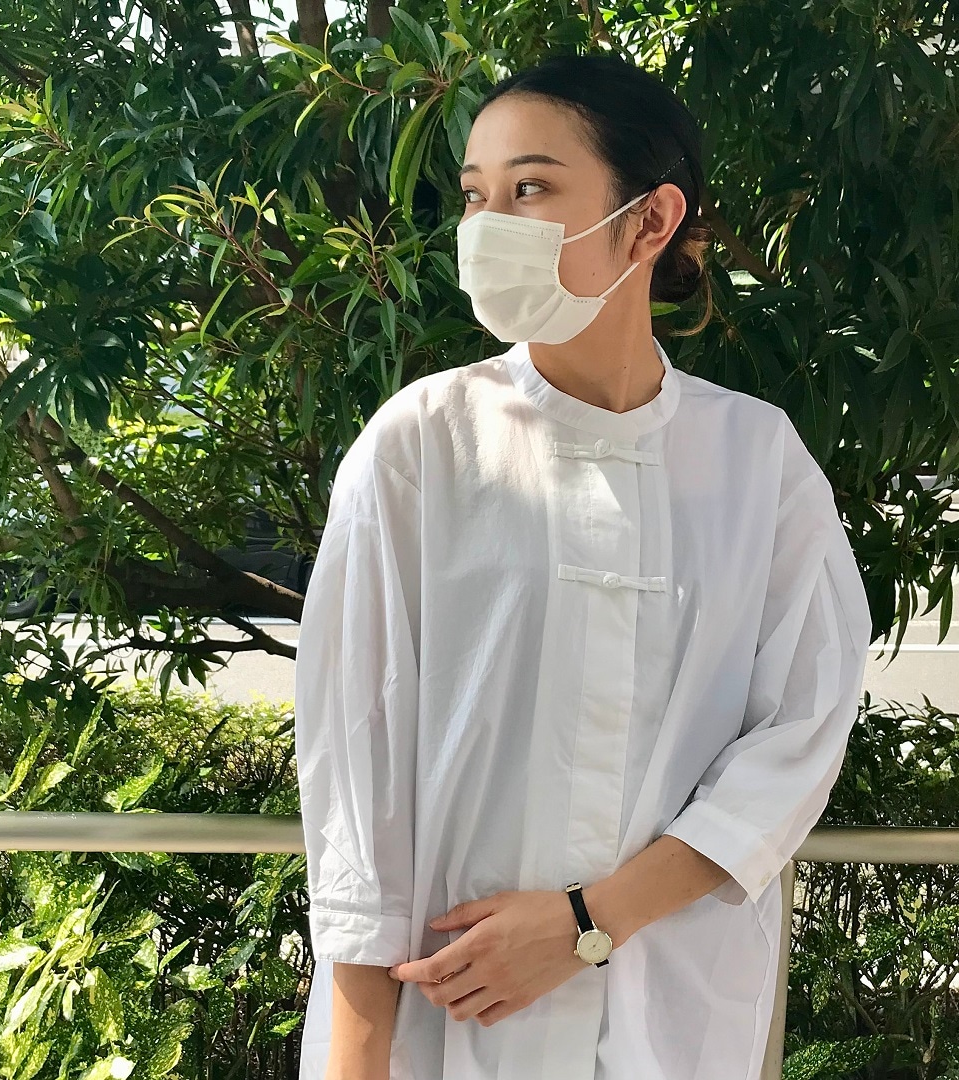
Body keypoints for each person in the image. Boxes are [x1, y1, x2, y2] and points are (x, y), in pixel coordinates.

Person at [292, 50, 873, 1080]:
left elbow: (800, 732)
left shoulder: (756, 461)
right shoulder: (423, 445)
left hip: (669, 1013)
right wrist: (357, 1062)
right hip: (446, 1023)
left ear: (649, 222)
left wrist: (588, 922)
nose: (489, 226)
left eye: (531, 189)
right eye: (476, 196)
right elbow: (353, 772)